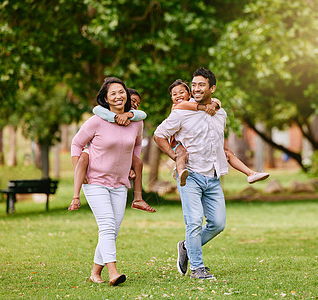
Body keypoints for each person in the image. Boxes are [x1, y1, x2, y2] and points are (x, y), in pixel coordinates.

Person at [154, 67, 227, 280]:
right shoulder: (181, 113)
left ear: (212, 88)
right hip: (190, 176)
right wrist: (174, 156)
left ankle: (186, 246)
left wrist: (215, 104)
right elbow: (159, 135)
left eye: (201, 85)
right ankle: (197, 268)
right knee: (194, 221)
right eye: (193, 84)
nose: (196, 88)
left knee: (218, 224)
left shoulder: (220, 112)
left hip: (212, 177)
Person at [70, 77, 143, 286]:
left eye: (121, 92)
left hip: (119, 183)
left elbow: (137, 146)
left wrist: (131, 165)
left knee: (113, 229)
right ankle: (113, 272)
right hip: (95, 181)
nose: (119, 96)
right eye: (113, 94)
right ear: (105, 99)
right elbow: (76, 143)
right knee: (107, 225)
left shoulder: (136, 121)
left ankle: (95, 273)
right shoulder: (97, 121)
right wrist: (78, 169)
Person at [168, 79, 270, 187]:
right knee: (181, 153)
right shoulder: (176, 107)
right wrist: (205, 107)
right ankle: (180, 172)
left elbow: (216, 101)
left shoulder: (196, 101)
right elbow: (186, 105)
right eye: (174, 94)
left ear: (189, 94)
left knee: (227, 153)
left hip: (200, 146)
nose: (178, 96)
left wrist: (214, 104)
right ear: (171, 98)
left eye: (181, 92)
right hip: (178, 144)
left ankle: (250, 173)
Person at [69, 88, 155, 213]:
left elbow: (138, 140)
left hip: (119, 172)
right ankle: (75, 197)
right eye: (133, 101)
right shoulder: (102, 115)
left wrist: (129, 114)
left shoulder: (136, 120)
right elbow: (96, 110)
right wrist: (115, 117)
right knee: (83, 158)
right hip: (96, 153)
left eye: (138, 103)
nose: (135, 105)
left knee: (139, 163)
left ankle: (138, 199)